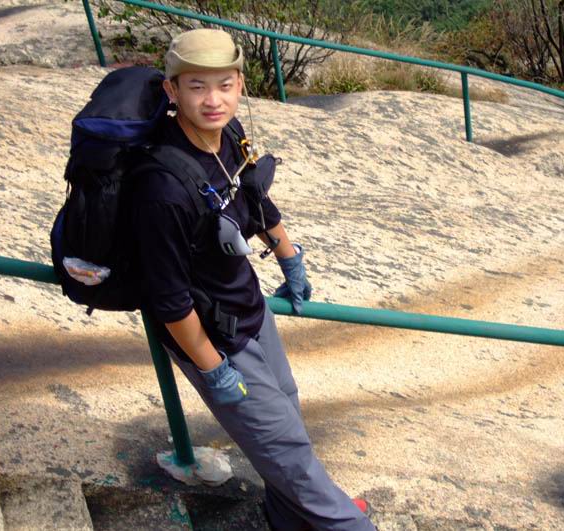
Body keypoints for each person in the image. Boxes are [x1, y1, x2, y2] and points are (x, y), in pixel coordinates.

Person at [132, 28, 375, 530]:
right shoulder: (161, 185)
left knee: (288, 413)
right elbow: (169, 299)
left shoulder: (229, 135)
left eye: (225, 85)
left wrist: (289, 257)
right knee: (289, 453)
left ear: (240, 84)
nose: (213, 100)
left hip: (249, 306)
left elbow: (254, 198)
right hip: (212, 335)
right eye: (197, 86)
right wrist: (214, 369)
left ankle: (286, 519)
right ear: (172, 91)